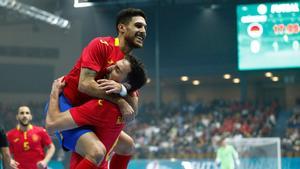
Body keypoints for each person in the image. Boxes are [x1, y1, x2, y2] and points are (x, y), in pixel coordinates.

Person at [43, 8, 147, 169]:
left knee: (128, 146)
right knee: (96, 151)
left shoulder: (128, 64)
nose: (143, 31)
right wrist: (120, 100)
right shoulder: (101, 45)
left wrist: (122, 89)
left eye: (145, 28)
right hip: (67, 106)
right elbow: (84, 85)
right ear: (122, 28)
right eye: (138, 26)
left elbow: (132, 111)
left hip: (92, 112)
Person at [46, 55, 147, 169]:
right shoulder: (127, 102)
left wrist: (54, 93)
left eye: (117, 70)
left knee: (122, 146)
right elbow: (133, 97)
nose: (109, 68)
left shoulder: (101, 106)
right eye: (114, 65)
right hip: (95, 163)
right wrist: (122, 91)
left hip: (88, 163)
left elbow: (50, 125)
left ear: (125, 85)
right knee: (128, 146)